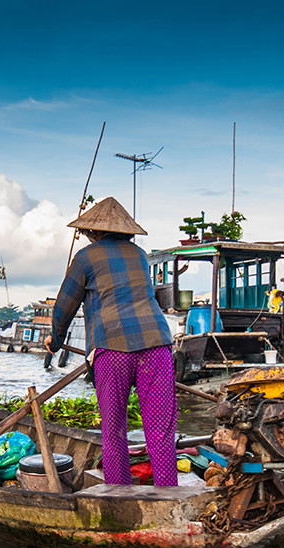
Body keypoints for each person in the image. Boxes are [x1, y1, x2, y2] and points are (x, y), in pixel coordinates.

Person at [45, 197, 178, 486]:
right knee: (160, 428)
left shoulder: (85, 257)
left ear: (93, 232)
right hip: (157, 345)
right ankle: (168, 490)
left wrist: (55, 341)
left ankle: (119, 490)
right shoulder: (140, 255)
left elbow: (64, 305)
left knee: (114, 427)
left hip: (113, 348)